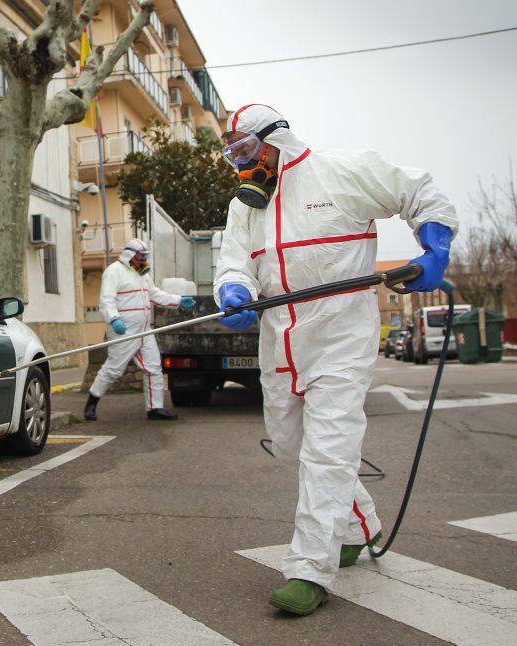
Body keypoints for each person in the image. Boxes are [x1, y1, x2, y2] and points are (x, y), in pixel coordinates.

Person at [214, 104, 458, 615]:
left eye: (245, 149)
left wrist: (434, 244)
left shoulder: (340, 172)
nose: (239, 162)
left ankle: (308, 568)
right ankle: (360, 524)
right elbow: (234, 261)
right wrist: (234, 290)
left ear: (274, 139)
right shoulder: (246, 207)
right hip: (280, 343)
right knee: (290, 446)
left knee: (328, 451)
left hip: (340, 339)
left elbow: (418, 190)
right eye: (231, 153)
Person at [84, 239, 196, 422]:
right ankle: (91, 404)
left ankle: (155, 408)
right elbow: (106, 300)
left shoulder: (142, 274)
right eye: (141, 256)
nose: (144, 259)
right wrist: (114, 319)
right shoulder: (114, 272)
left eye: (145, 256)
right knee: (113, 370)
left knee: (153, 367)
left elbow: (155, 294)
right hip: (124, 330)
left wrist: (178, 300)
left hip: (144, 329)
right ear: (131, 254)